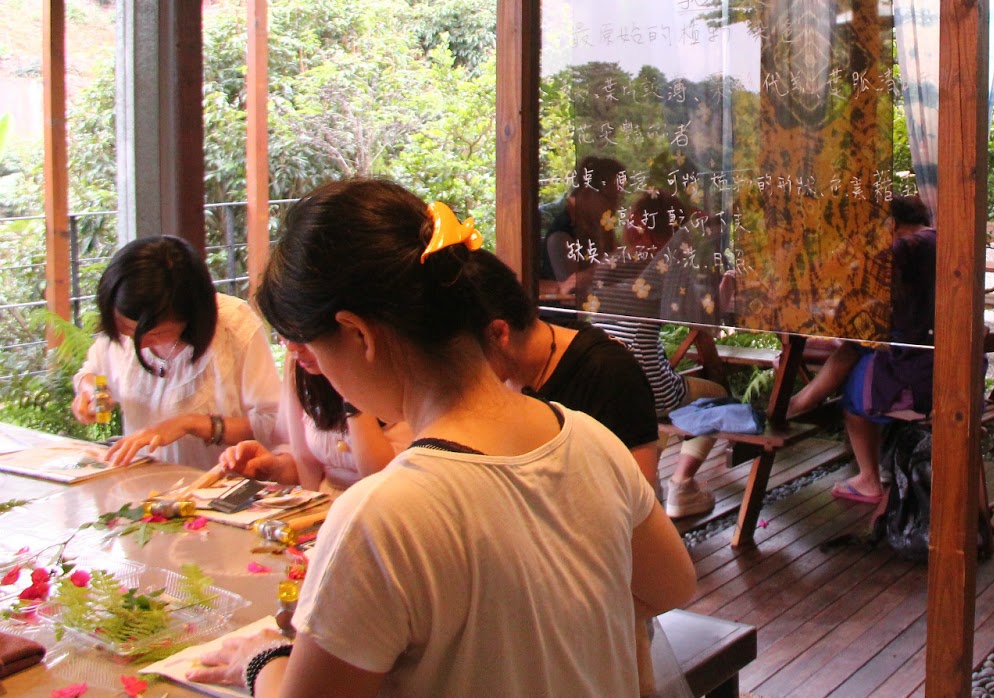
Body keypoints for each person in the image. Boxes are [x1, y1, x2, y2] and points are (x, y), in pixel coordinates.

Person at [188, 178, 695, 698]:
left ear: (358, 334)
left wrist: (261, 661)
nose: (319, 373)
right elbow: (671, 586)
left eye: (311, 353)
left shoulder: (383, 518)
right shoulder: (588, 438)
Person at [71, 236, 279, 469]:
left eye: (156, 334)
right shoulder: (124, 325)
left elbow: (272, 423)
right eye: (126, 330)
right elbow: (90, 373)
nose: (139, 344)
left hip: (220, 485)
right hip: (141, 482)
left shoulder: (234, 327)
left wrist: (190, 424)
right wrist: (88, 391)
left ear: (191, 317)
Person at [788, 193, 938, 506]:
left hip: (922, 373)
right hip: (942, 361)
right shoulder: (938, 242)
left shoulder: (910, 245)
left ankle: (868, 477)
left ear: (892, 224)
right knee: (853, 349)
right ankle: (800, 403)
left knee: (855, 381)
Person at [588, 191, 729, 519]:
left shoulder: (613, 262)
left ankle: (649, 483)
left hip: (606, 385)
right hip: (648, 388)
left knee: (656, 408)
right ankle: (681, 484)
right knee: (718, 397)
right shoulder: (663, 266)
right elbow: (703, 321)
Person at [471, 246, 662, 485]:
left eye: (461, 355)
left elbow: (638, 492)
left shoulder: (609, 371)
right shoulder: (500, 376)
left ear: (499, 334)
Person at [218, 343, 410, 492]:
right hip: (324, 511)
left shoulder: (401, 367)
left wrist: (351, 383)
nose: (292, 346)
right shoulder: (300, 366)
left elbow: (382, 482)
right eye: (283, 331)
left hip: (376, 515)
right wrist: (274, 467)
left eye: (301, 331)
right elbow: (307, 466)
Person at [539, 154, 626, 290]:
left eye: (620, 199)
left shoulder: (597, 226)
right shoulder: (560, 233)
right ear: (587, 193)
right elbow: (570, 290)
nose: (615, 206)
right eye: (611, 198)